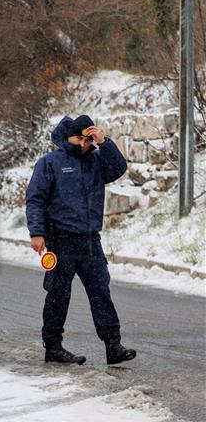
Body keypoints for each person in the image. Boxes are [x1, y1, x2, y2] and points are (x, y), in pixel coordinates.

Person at [25, 115, 137, 365]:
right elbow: (36, 200)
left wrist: (103, 142)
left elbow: (118, 168)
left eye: (88, 139)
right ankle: (53, 347)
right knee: (57, 294)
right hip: (59, 241)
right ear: (68, 138)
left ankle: (113, 345)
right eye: (81, 139)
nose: (84, 144)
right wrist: (37, 233)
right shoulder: (50, 163)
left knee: (101, 293)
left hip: (89, 242)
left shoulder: (95, 161)